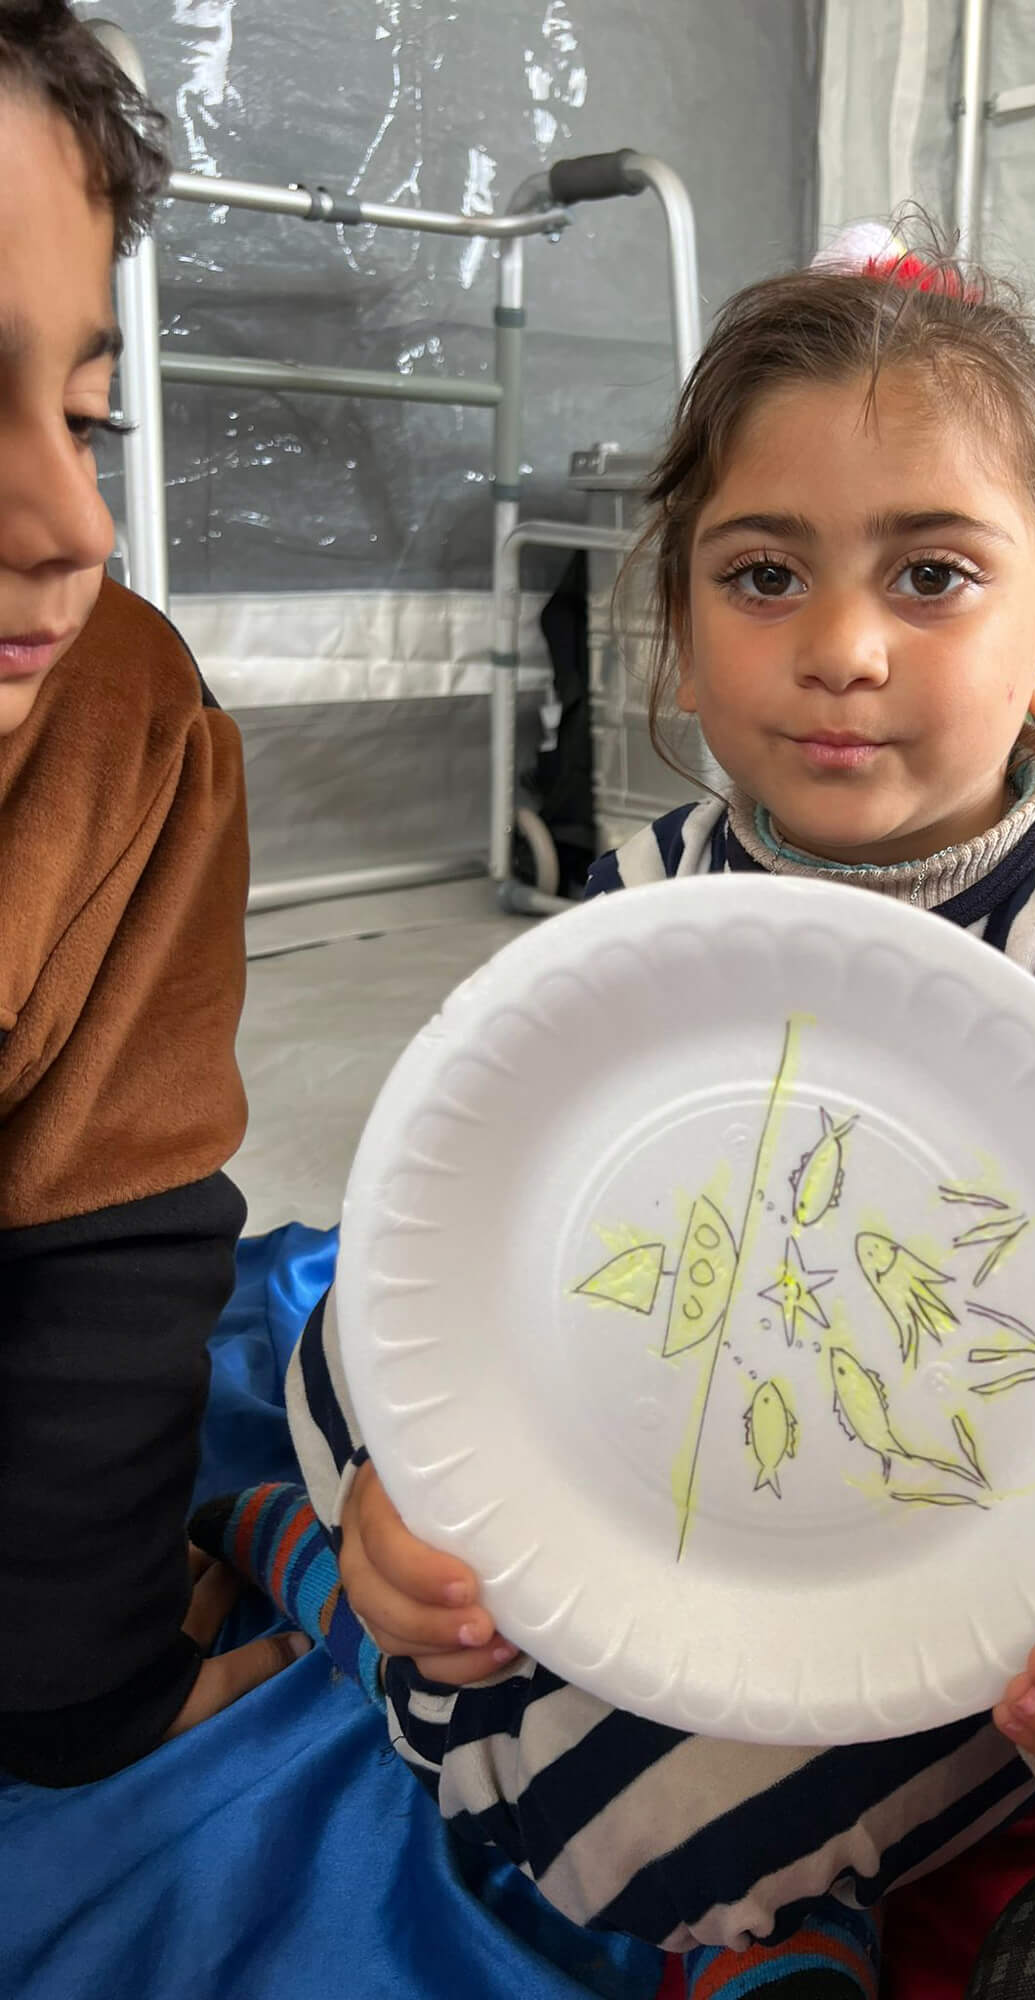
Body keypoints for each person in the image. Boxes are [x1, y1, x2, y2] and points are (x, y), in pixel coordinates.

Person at [198, 229, 1035, 1997]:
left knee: (854, 1753)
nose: (839, 648)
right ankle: (325, 1573)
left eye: (934, 576)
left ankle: (761, 1914)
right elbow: (450, 1225)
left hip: (935, 1553)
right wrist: (386, 1489)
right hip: (651, 1453)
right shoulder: (637, 897)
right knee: (425, 1555)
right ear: (680, 620)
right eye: (762, 574)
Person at [0, 0, 304, 1788]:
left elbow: (107, 1249)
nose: (71, 522)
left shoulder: (128, 731)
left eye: (84, 413)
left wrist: (75, 1685)